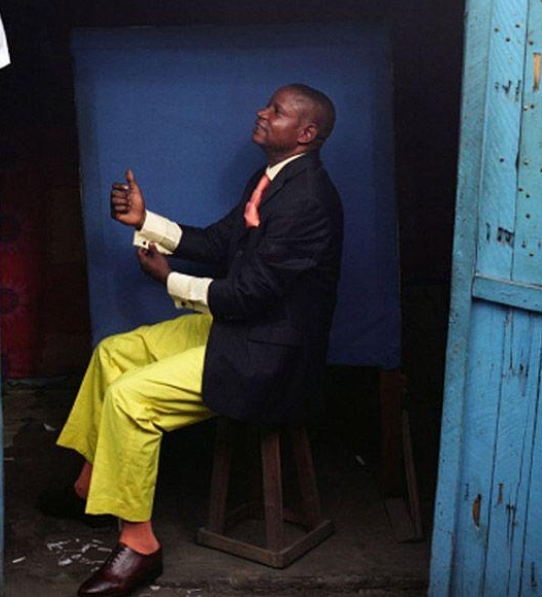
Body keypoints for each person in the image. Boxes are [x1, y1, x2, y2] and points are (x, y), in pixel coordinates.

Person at [53, 84, 343, 597]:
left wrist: (168, 281)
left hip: (269, 356)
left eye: (276, 111)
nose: (261, 112)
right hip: (240, 330)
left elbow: (250, 294)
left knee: (131, 399)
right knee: (112, 354)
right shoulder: (271, 180)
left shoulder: (310, 200)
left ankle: (140, 545)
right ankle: (91, 484)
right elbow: (218, 242)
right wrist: (146, 222)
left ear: (306, 133)